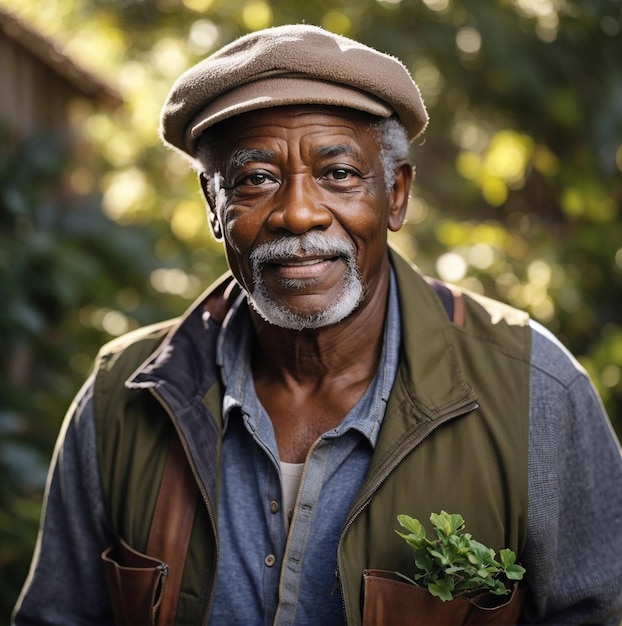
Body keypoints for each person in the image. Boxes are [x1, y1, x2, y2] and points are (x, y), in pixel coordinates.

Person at [12, 24, 622, 626]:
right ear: (214, 208)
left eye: (338, 174)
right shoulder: (124, 396)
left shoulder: (534, 391)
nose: (298, 214)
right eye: (256, 179)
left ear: (397, 194)